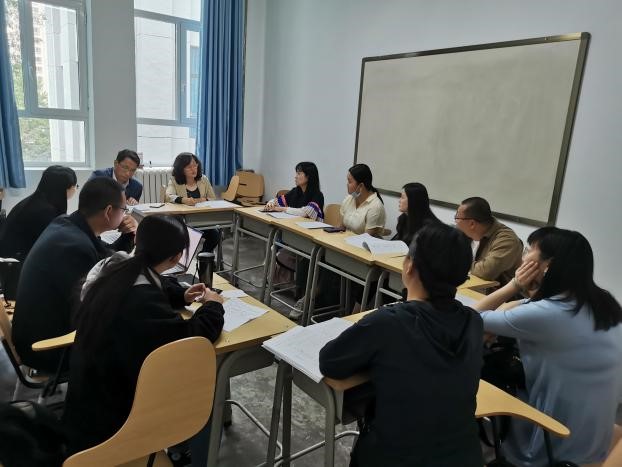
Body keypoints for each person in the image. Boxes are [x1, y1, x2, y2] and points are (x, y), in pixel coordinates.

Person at [319, 223, 484, 467]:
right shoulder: (473, 322)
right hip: (465, 455)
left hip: (397, 456)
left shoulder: (388, 322)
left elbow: (330, 361)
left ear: (409, 266)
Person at [62, 215, 224, 457]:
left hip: (88, 399)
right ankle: (190, 453)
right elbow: (191, 338)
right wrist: (213, 305)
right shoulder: (141, 301)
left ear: (138, 239)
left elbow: (154, 284)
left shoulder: (114, 265)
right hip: (112, 425)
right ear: (176, 257)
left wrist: (181, 296)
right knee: (200, 385)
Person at [474, 227, 622, 466]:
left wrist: (513, 285)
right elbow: (532, 308)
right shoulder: (604, 303)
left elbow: (469, 318)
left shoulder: (547, 314)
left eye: (529, 251)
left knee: (486, 372)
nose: (523, 257)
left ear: (547, 265)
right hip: (595, 441)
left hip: (552, 447)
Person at [11, 177, 137, 373]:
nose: (125, 214)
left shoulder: (67, 224)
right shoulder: (75, 247)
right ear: (108, 211)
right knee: (133, 334)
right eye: (124, 209)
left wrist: (128, 235)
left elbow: (103, 255)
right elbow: (93, 303)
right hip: (48, 348)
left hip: (36, 333)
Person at [0, 166, 77, 300]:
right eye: (75, 186)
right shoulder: (45, 212)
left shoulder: (35, 202)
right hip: (16, 273)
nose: (75, 190)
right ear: (64, 188)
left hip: (15, 266)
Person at [454, 196, 522, 285]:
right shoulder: (464, 232)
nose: (455, 222)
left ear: (472, 224)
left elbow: (486, 272)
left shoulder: (507, 240)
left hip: (495, 291)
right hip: (467, 285)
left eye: (457, 218)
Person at [166, 152, 220, 260]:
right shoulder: (174, 181)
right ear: (181, 169)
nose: (193, 169)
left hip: (202, 220)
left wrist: (202, 200)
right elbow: (168, 196)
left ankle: (203, 259)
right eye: (189, 167)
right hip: (184, 221)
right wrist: (184, 200)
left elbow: (212, 198)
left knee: (215, 234)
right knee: (189, 236)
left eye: (195, 165)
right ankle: (184, 262)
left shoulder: (203, 179)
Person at [340, 163, 386, 236]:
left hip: (361, 243)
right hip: (345, 241)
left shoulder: (376, 206)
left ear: (361, 186)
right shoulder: (349, 199)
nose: (347, 184)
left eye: (350, 182)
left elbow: (366, 239)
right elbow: (341, 229)